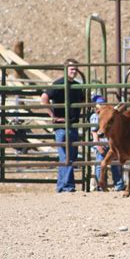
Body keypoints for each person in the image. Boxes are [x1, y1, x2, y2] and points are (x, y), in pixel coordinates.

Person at [41, 58, 85, 193]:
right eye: (72, 69)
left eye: (75, 69)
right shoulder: (59, 84)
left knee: (68, 156)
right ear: (66, 70)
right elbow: (44, 98)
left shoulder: (77, 86)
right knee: (67, 156)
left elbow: (83, 100)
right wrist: (53, 116)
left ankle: (62, 186)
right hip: (61, 126)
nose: (74, 71)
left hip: (72, 124)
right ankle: (68, 186)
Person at [90, 95, 125, 191]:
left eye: (103, 102)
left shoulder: (108, 114)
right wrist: (98, 145)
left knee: (115, 164)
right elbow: (94, 132)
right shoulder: (95, 116)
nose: (102, 104)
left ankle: (119, 185)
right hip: (102, 143)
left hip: (110, 143)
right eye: (99, 103)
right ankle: (100, 186)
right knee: (99, 165)